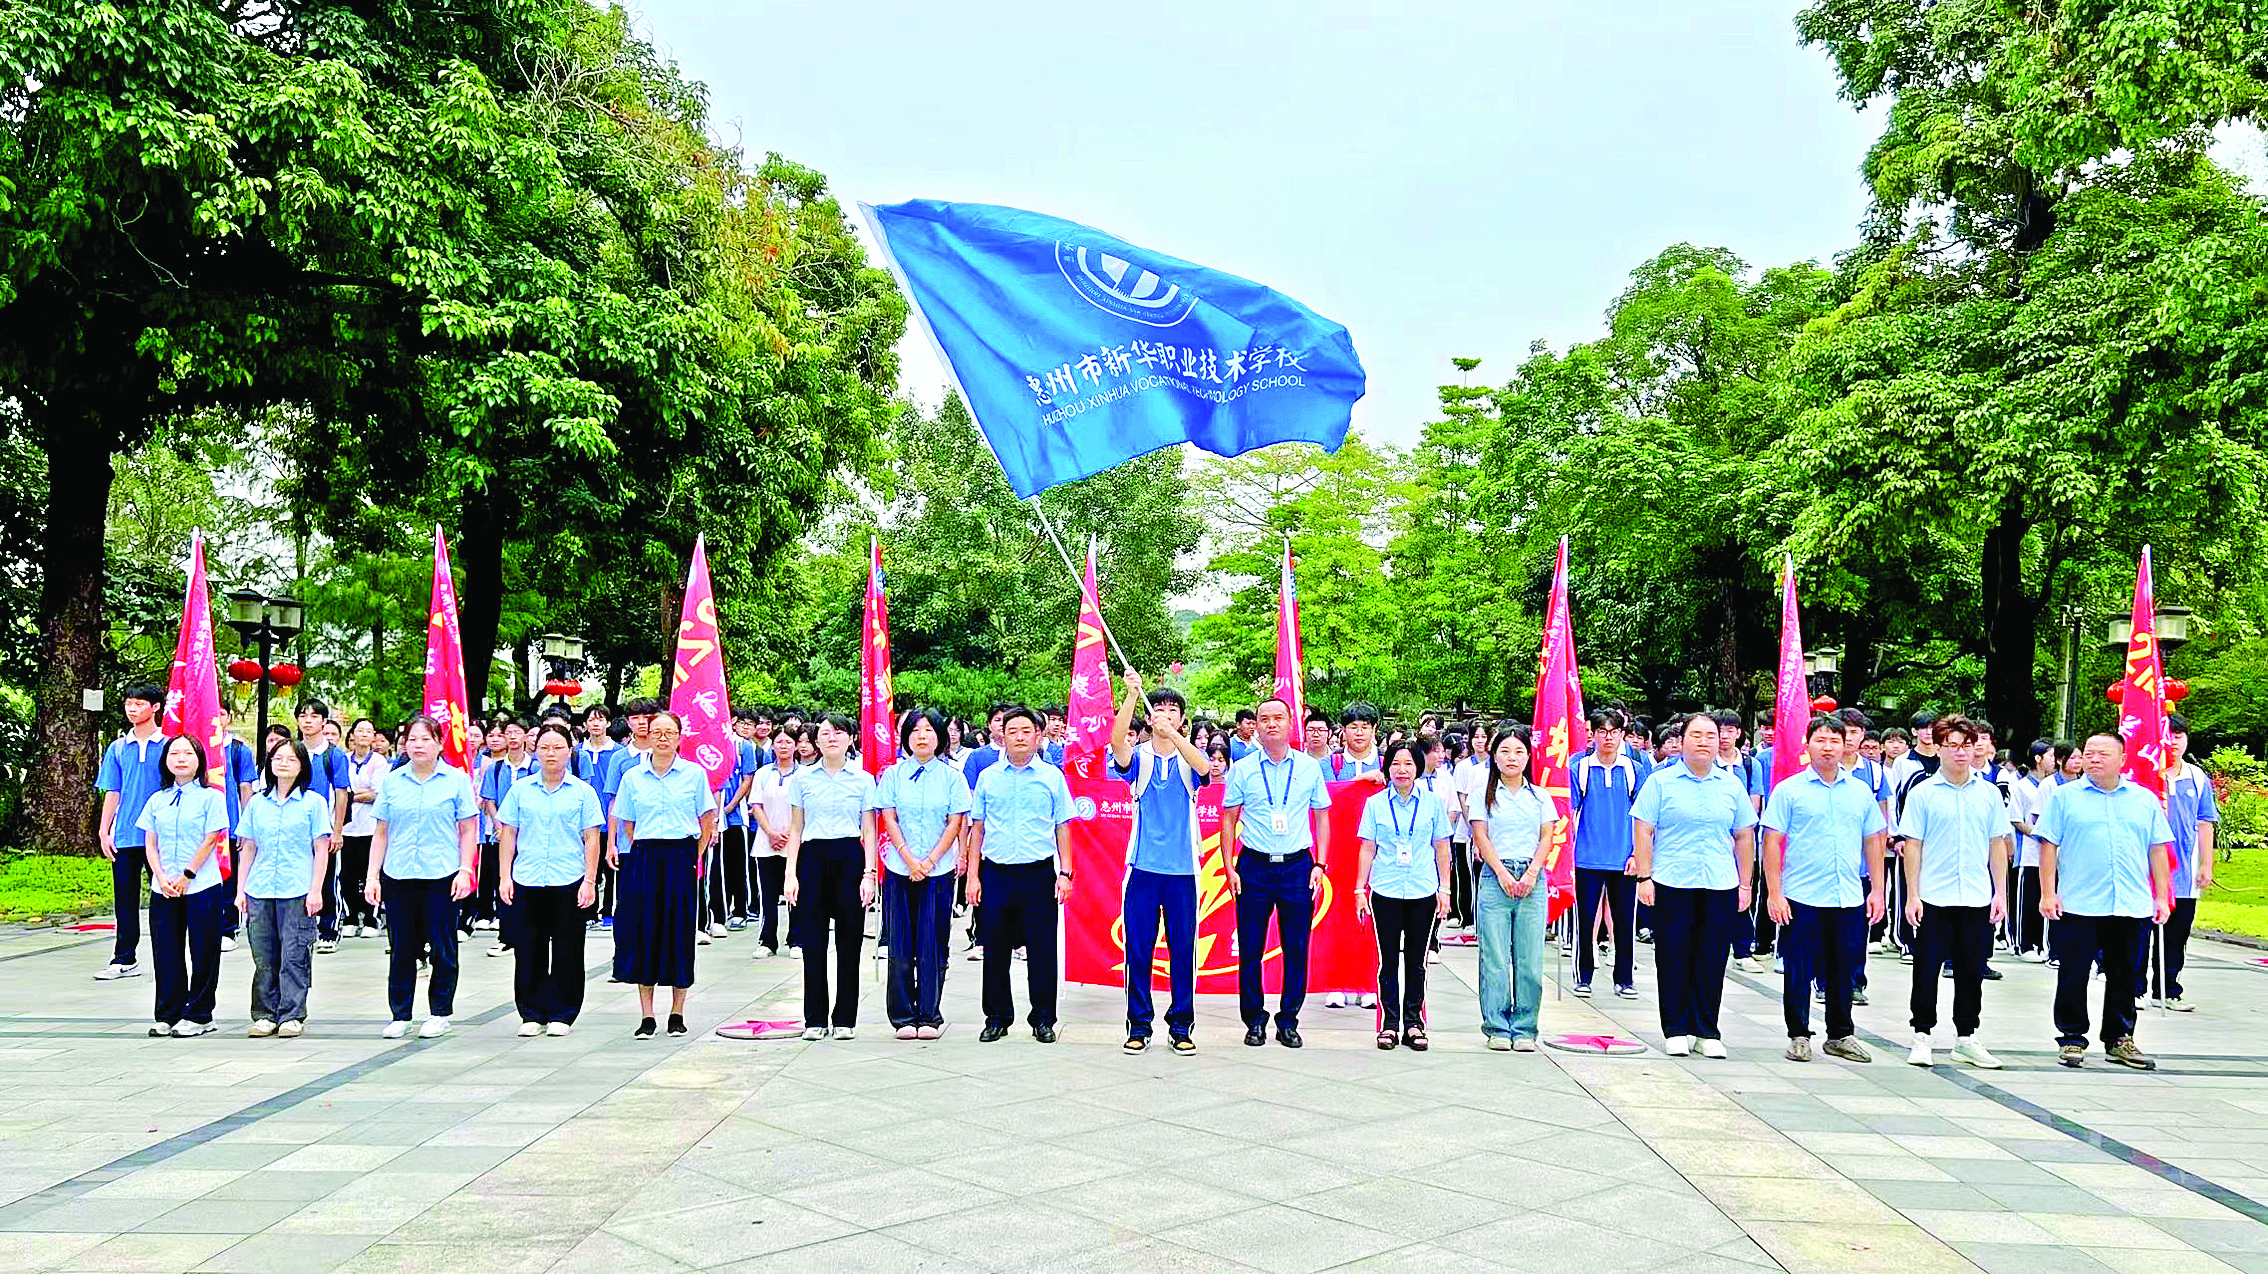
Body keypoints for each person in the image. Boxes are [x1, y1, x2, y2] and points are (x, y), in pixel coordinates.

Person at [2036, 733, 2174, 1069]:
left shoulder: (2143, 799)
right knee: (2074, 972)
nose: (2094, 758)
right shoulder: (2064, 798)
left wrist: (2161, 895)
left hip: (2131, 903)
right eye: (2090, 753)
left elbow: (2157, 849)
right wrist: (2047, 892)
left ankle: (2119, 1038)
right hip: (2079, 902)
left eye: (2104, 753)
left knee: (2125, 974)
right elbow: (2048, 845)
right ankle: (2071, 1038)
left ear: (2123, 759)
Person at [1762, 716, 1887, 1064]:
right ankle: (1799, 1034)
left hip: (1847, 895)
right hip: (1801, 895)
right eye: (1821, 740)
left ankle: (1840, 1034)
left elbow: (1873, 841)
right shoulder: (1790, 790)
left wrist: (1876, 890)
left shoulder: (1860, 792)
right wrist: (1775, 892)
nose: (1828, 747)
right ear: (1808, 744)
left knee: (1843, 967)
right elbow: (1771, 841)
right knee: (1798, 967)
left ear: (1847, 745)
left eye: (1835, 740)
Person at [1631, 713, 1757, 1058]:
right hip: (1672, 880)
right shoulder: (1661, 782)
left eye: (1711, 735)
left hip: (1719, 883)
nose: (1704, 741)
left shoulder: (1731, 785)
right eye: (1696, 735)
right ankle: (1675, 1027)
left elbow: (1745, 835)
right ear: (1682, 740)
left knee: (1712, 957)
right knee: (1672, 955)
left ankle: (1706, 1030)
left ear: (1721, 741)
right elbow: (1643, 829)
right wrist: (1645, 876)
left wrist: (1745, 884)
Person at [1218, 697, 1335, 1049]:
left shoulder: (1309, 768)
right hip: (1253, 866)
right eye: (1264, 719)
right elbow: (1228, 819)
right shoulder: (1242, 769)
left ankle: (1289, 1019)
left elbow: (1322, 817)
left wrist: (1320, 864)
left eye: (1278, 718)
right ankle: (1254, 1020)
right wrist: (1229, 867)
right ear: (1255, 725)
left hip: (1298, 866)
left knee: (1297, 947)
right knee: (1251, 948)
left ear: (1290, 723)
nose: (1271, 724)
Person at [1106, 672, 1210, 1055]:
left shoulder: (1187, 758)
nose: (1165, 715)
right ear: (1149, 718)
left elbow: (1203, 769)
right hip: (1142, 871)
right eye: (1159, 709)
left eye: (1173, 710)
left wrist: (1175, 735)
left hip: (1183, 872)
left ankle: (1181, 1026)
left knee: (1184, 951)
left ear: (1182, 718)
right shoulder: (1141, 760)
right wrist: (1133, 696)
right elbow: (1118, 743)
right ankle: (1139, 1025)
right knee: (1138, 950)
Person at [1898, 716, 2010, 1068]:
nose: (1959, 753)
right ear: (1939, 748)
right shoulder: (1923, 793)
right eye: (1951, 746)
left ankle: (1966, 1036)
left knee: (1971, 970)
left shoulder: (1989, 793)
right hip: (1934, 895)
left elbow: (1997, 845)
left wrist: (2000, 893)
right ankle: (1922, 1034)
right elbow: (1912, 845)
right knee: (1926, 967)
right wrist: (1912, 894)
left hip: (1976, 895)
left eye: (1966, 746)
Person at [966, 706, 1076, 1042]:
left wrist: (1065, 873)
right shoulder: (989, 777)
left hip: (1039, 872)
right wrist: (973, 876)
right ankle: (997, 1017)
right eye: (1012, 730)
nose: (1019, 737)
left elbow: (1063, 827)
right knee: (995, 948)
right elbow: (978, 829)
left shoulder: (1052, 777)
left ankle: (1043, 1018)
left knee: (1042, 949)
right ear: (1002, 734)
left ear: (1038, 735)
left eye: (1026, 731)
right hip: (996, 872)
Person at [367, 717, 478, 1038]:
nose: (418, 745)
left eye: (426, 739)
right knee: (401, 946)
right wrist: (373, 876)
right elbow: (381, 831)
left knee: (442, 945)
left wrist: (466, 869)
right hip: (399, 874)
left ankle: (439, 1012)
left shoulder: (456, 780)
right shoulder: (393, 780)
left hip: (441, 873)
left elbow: (469, 829)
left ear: (440, 743)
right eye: (412, 739)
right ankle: (400, 1014)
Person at [611, 710, 718, 1039]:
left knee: (679, 931)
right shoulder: (632, 777)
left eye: (668, 732)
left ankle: (677, 1012)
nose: (661, 737)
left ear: (678, 737)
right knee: (645, 930)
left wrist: (693, 856)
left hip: (681, 855)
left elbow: (707, 819)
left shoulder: (694, 774)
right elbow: (627, 823)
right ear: (645, 735)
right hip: (645, 857)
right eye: (655, 731)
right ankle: (647, 1015)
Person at [497, 722, 605, 1037]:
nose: (551, 753)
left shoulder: (583, 792)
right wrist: (505, 876)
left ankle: (562, 1012)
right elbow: (509, 834)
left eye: (558, 747)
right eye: (544, 747)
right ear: (535, 751)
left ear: (569, 750)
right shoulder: (521, 790)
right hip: (527, 880)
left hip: (568, 880)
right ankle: (531, 1013)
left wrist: (589, 880)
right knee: (528, 949)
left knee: (568, 950)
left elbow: (592, 839)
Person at [874, 708, 966, 1040]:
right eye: (915, 730)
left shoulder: (952, 776)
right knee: (899, 944)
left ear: (940, 736)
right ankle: (902, 1015)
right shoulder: (893, 775)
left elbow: (955, 823)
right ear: (906, 737)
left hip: (939, 871)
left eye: (928, 730)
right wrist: (909, 859)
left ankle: (929, 1014)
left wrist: (929, 861)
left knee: (932, 943)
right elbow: (889, 817)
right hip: (900, 869)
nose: (922, 736)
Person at [1355, 740, 1453, 1051]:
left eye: (1408, 764)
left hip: (1423, 890)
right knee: (1387, 961)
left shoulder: (1433, 803)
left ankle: (1414, 1023)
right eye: (1396, 763)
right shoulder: (1375, 804)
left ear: (1418, 768)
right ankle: (1389, 1024)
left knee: (1416, 961)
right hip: (1385, 889)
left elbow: (1442, 849)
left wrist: (1445, 890)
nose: (1402, 770)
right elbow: (1367, 848)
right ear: (1387, 767)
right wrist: (1360, 889)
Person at [237, 738, 332, 1037]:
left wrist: (316, 890)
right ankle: (265, 1014)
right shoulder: (257, 802)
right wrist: (241, 890)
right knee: (264, 955)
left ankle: (292, 1014)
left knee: (295, 953)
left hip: (297, 889)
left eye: (291, 759)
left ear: (302, 765)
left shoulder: (313, 802)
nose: (283, 763)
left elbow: (321, 848)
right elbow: (248, 847)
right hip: (260, 887)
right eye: (278, 758)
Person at [139, 736, 232, 1036]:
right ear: (165, 760)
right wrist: (162, 876)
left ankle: (201, 1013)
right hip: (163, 886)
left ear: (199, 760)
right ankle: (169, 1012)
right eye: (174, 753)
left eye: (188, 753)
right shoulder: (157, 799)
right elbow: (150, 843)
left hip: (201, 884)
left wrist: (187, 875)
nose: (181, 758)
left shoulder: (211, 797)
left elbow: (211, 839)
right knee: (166, 951)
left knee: (203, 950)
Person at [1469, 728, 1552, 1051]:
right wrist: (1502, 873)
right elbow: (1481, 836)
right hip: (1495, 877)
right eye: (1505, 751)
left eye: (1518, 752)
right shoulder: (1483, 794)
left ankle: (1525, 1027)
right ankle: (1497, 1026)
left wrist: (1531, 873)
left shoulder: (1540, 796)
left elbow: (1547, 837)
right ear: (1495, 756)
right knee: (1495, 957)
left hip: (1532, 878)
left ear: (1528, 757)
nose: (1512, 758)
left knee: (1530, 959)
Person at [94, 685, 171, 981]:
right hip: (125, 834)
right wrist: (104, 830)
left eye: (139, 704)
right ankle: (124, 957)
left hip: (159, 836)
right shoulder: (117, 748)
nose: (132, 709)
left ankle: (167, 954)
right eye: (129, 703)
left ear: (155, 707)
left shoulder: (169, 745)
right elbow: (113, 791)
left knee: (163, 897)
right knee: (124, 898)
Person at [1570, 708, 1647, 999]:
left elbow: (1643, 819)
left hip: (1623, 859)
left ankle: (1624, 978)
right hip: (1586, 858)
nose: (1608, 738)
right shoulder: (1580, 767)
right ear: (1592, 734)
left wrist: (1637, 855)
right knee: (1585, 920)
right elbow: (1568, 813)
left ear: (1622, 736)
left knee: (1625, 920)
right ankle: (1584, 975)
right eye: (1602, 731)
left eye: (1614, 732)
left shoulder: (1633, 770)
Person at [2153, 716, 2217, 1011]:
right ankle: (2136, 987)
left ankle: (2168, 989)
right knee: (2143, 933)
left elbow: (2205, 823)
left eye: (2179, 735)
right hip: (2149, 871)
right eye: (2169, 735)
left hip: (2183, 872)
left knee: (2177, 934)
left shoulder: (2197, 777)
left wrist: (2206, 864)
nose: (2174, 741)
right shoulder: (2146, 773)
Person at [296, 701, 353, 954]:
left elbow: (342, 793)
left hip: (325, 829)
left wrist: (337, 831)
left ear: (324, 722)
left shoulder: (334, 755)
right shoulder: (291, 751)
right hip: (296, 829)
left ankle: (329, 929)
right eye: (303, 716)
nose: (308, 721)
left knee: (328, 880)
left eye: (314, 716)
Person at [475, 718, 533, 950]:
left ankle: (529, 931)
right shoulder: (496, 767)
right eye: (508, 732)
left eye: (517, 732)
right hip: (500, 833)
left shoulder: (535, 766)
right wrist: (500, 825)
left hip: (529, 834)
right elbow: (489, 798)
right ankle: (506, 936)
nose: (512, 737)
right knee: (504, 880)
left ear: (526, 736)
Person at [706, 710, 764, 938]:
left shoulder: (743, 746)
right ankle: (716, 912)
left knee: (738, 865)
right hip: (712, 817)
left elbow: (747, 779)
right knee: (715, 867)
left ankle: (741, 909)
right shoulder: (708, 743)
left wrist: (730, 805)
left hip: (735, 815)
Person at [749, 727, 800, 957]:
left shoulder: (804, 775)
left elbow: (803, 808)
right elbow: (756, 805)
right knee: (768, 894)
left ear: (796, 745)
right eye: (779, 741)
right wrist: (771, 833)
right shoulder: (762, 774)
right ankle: (767, 941)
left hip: (795, 842)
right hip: (765, 842)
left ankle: (796, 939)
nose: (783, 746)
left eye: (788, 742)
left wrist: (788, 833)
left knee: (796, 892)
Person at [336, 719, 387, 939]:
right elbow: (337, 790)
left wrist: (347, 797)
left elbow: (377, 794)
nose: (364, 735)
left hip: (370, 828)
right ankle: (349, 917)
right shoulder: (342, 759)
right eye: (360, 731)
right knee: (346, 876)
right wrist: (353, 796)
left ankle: (370, 918)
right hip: (346, 828)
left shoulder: (379, 762)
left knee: (370, 874)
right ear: (352, 735)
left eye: (369, 731)